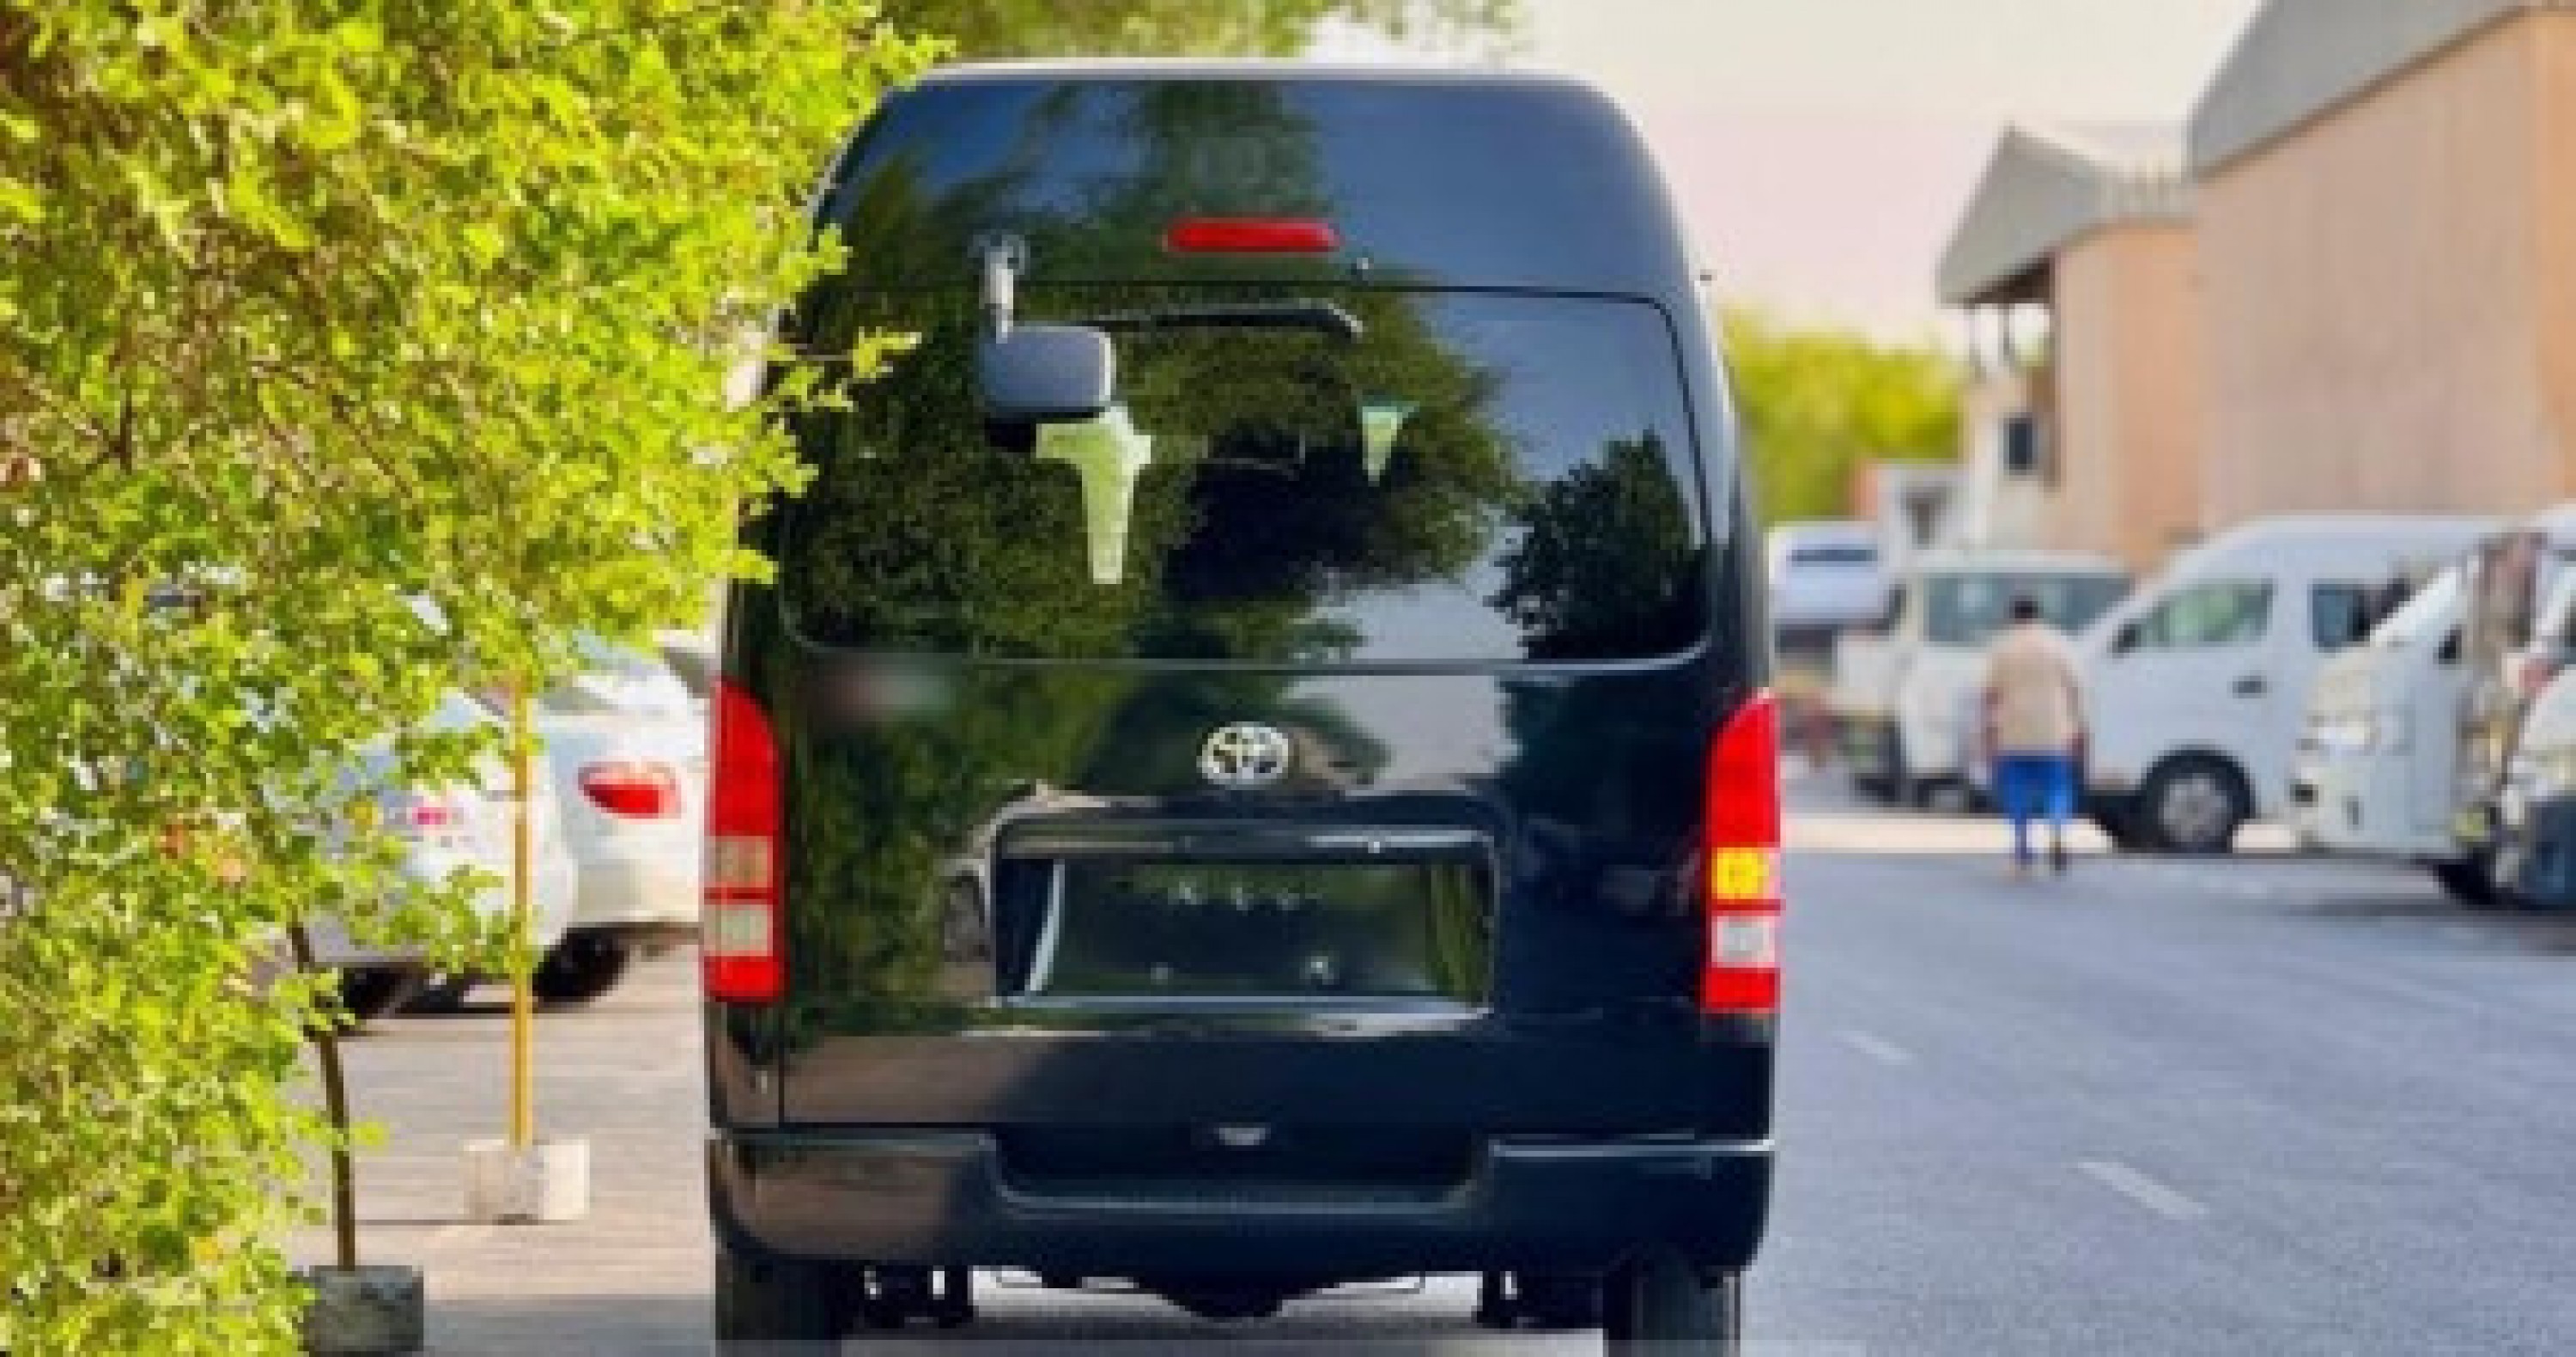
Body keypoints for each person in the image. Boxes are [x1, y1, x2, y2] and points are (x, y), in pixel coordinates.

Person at [1983, 594, 2086, 876]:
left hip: (2014, 731)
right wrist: (2078, 725)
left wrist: (1988, 732)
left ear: (2012, 616)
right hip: (2054, 730)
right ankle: (2057, 831)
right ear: (2039, 615)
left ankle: (2022, 850)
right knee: (2058, 787)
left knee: (2016, 791)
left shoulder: (2002, 646)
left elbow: (1990, 693)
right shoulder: (2058, 643)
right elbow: (2074, 686)